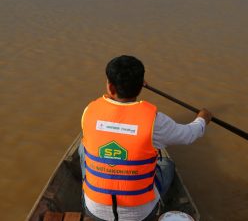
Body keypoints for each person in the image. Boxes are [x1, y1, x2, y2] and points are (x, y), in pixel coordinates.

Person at [79, 55, 212, 221]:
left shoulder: (89, 112)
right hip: (140, 215)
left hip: (95, 212)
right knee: (167, 164)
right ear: (141, 86)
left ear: (111, 87)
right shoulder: (155, 121)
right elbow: (189, 135)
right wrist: (203, 118)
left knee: (82, 148)